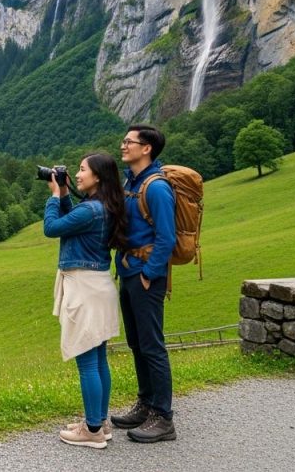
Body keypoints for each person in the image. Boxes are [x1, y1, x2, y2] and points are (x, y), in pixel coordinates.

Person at [43, 152, 128, 449]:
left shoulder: (91, 210)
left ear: (98, 177)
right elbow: (74, 220)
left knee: (87, 362)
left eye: (82, 170)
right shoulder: (101, 207)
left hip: (85, 289)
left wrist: (54, 197)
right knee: (99, 358)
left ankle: (91, 430)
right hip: (99, 286)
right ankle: (100, 421)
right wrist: (66, 193)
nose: (78, 175)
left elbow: (53, 228)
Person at [111, 124, 177, 442]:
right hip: (128, 272)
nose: (123, 146)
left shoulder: (157, 188)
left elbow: (167, 238)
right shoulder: (131, 182)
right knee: (137, 344)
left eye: (129, 142)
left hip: (145, 276)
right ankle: (146, 404)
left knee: (152, 346)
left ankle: (163, 418)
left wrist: (149, 274)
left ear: (146, 148)